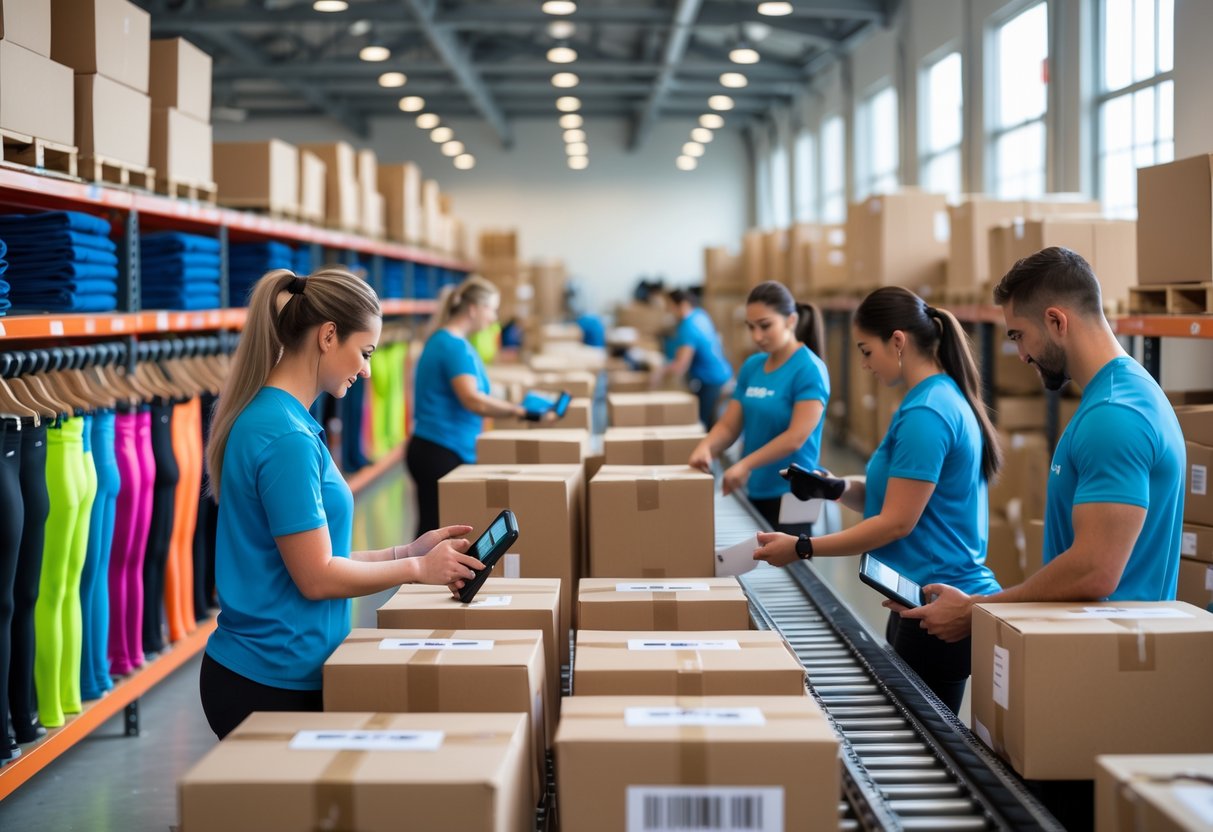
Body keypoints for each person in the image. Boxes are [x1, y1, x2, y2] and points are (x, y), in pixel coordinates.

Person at [200, 268, 486, 740]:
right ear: (328, 336)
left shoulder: (285, 420)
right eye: (365, 352)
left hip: (280, 671)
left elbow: (312, 558)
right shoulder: (286, 437)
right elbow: (316, 578)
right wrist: (418, 572)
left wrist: (406, 553)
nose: (369, 370)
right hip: (268, 684)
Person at [752, 286, 1003, 715]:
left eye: (867, 351)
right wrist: (833, 488)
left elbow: (896, 522)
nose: (864, 364)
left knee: (926, 756)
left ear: (899, 342)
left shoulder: (929, 412)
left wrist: (801, 547)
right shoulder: (926, 401)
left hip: (937, 603)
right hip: (912, 596)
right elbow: (895, 496)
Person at [688, 281, 828, 529]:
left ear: (790, 320)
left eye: (765, 326)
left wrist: (745, 464)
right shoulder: (753, 366)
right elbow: (731, 425)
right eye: (751, 327)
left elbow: (796, 437)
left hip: (792, 494)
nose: (756, 336)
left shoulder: (809, 370)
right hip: (754, 488)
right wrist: (707, 446)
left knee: (790, 565)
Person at [406, 276, 535, 537]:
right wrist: (517, 411)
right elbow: (472, 398)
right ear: (474, 309)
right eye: (492, 309)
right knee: (436, 539)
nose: (494, 317)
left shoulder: (445, 340)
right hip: (442, 451)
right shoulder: (454, 347)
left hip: (436, 448)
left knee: (433, 535)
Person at [657, 288, 734, 429]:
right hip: (723, 374)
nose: (668, 310)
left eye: (670, 305)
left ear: (682, 305)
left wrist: (659, 372)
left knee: (701, 426)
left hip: (710, 380)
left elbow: (681, 366)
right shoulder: (700, 315)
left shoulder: (688, 326)